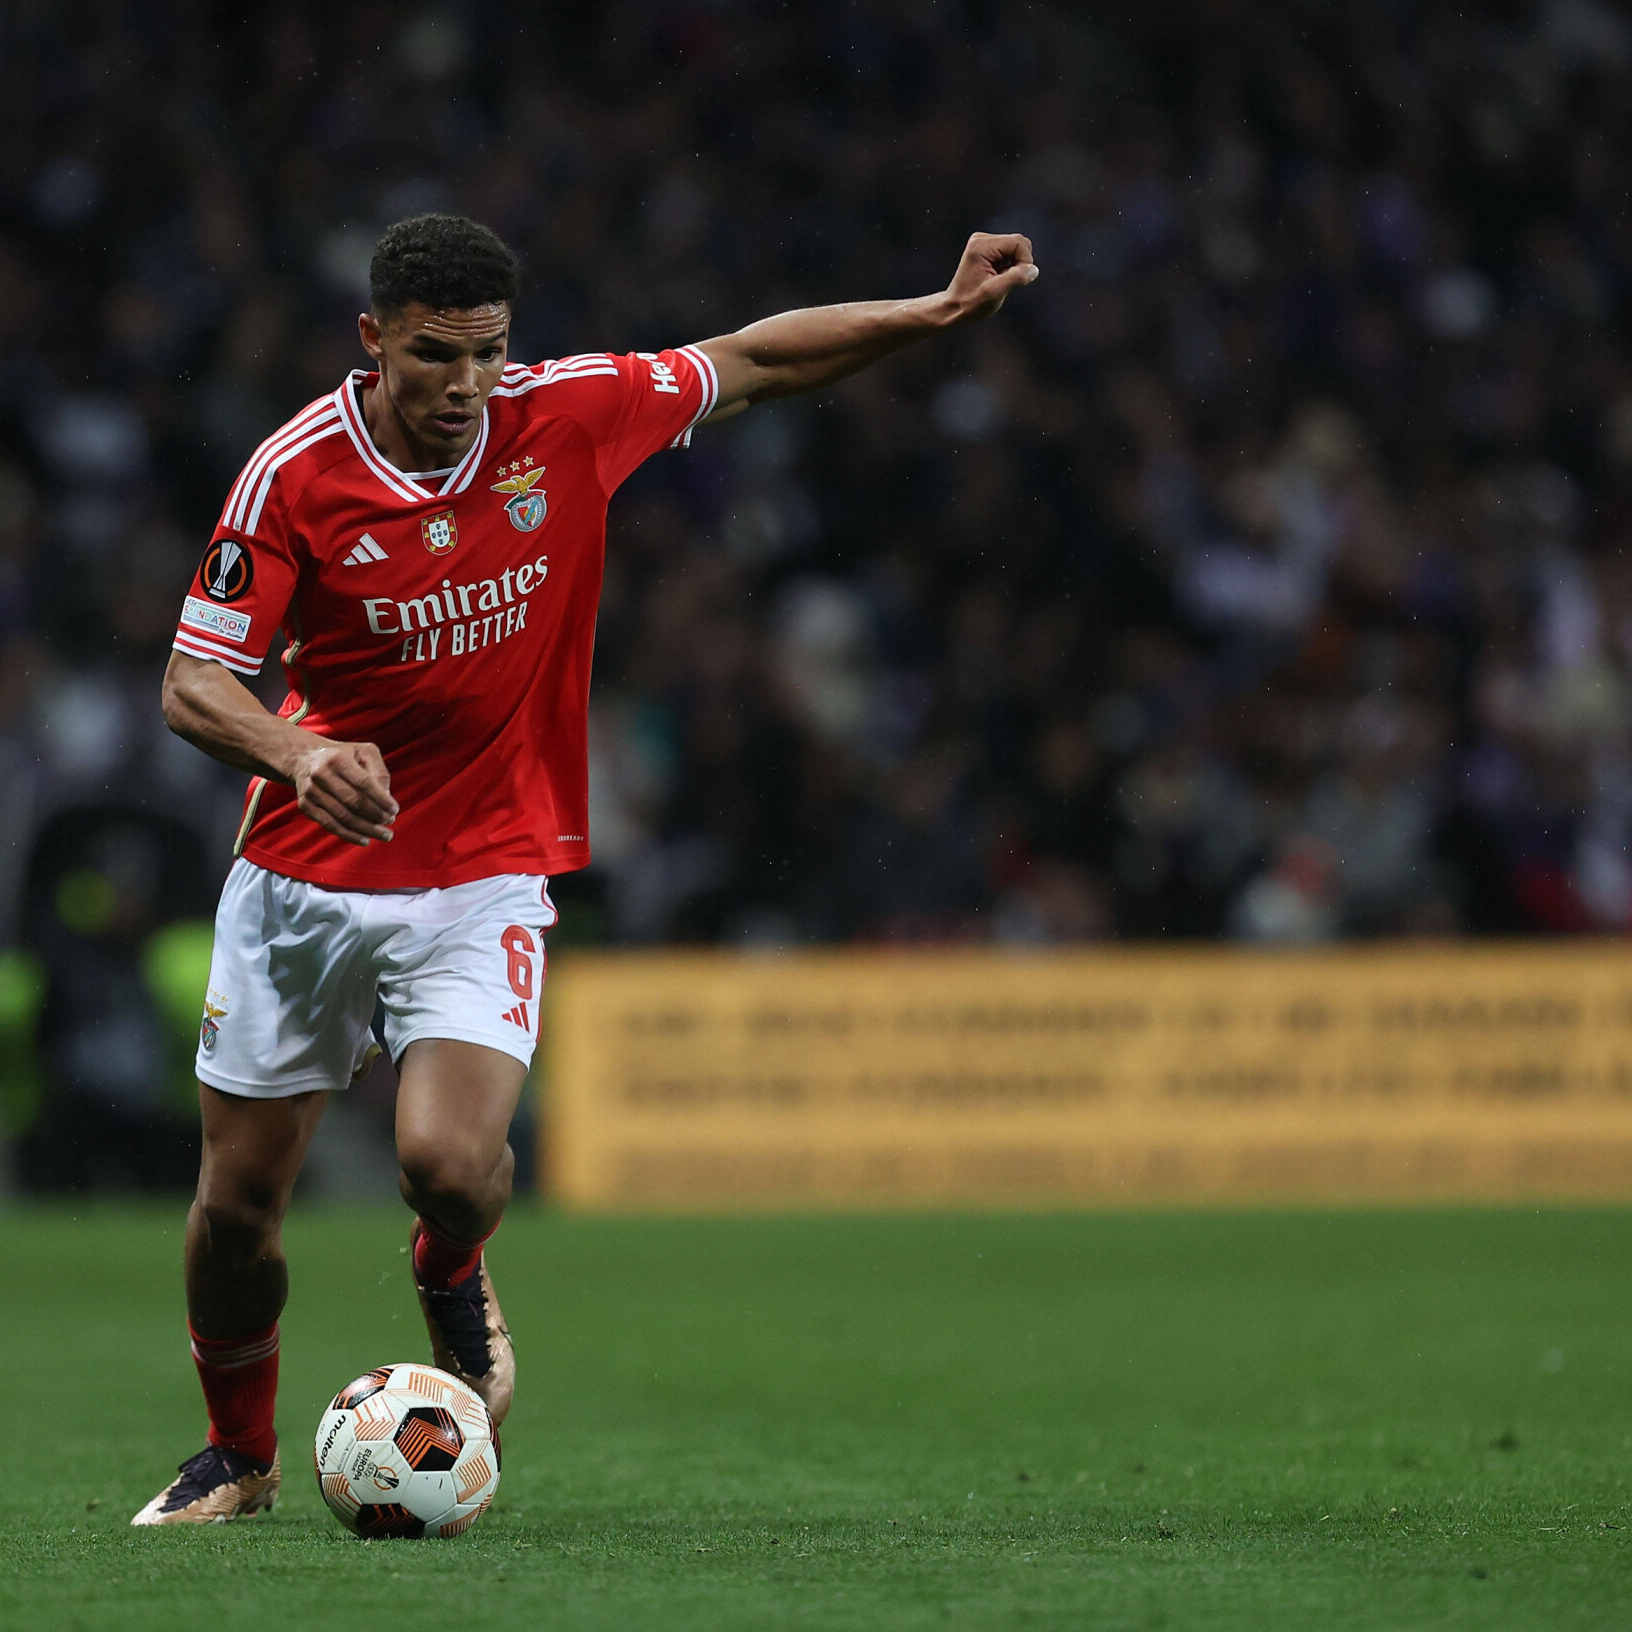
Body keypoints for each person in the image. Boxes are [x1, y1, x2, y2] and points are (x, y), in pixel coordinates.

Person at [131, 214, 1037, 1523]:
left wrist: (928, 314)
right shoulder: (292, 477)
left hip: (482, 869)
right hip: (307, 878)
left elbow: (750, 363)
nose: (464, 387)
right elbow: (190, 680)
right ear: (373, 340)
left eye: (488, 355)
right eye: (436, 356)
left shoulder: (567, 415)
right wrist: (293, 749)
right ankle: (239, 1456)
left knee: (446, 1161)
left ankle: (452, 1264)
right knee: (236, 1211)